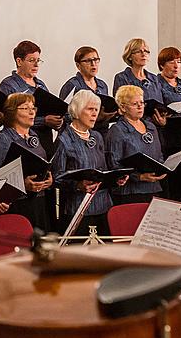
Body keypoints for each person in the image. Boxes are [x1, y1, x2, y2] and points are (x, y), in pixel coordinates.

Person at [52, 90, 127, 236]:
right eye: (90, 109)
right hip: (78, 208)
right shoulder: (64, 140)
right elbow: (56, 177)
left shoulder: (97, 136)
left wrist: (116, 178)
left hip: (103, 205)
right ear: (77, 111)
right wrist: (78, 185)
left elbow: (103, 171)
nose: (95, 114)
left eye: (96, 110)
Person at [0, 93, 54, 230]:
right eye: (25, 108)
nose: (32, 112)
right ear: (12, 112)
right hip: (18, 203)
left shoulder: (34, 136)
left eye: (33, 108)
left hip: (39, 199)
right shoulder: (3, 139)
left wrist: (48, 179)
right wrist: (23, 184)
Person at [0, 40, 63, 156]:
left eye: (38, 61)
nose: (36, 65)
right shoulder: (9, 85)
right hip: (20, 141)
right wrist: (44, 120)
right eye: (31, 60)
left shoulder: (41, 85)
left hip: (44, 140)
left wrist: (57, 119)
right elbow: (7, 117)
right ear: (19, 61)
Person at [106, 85, 167, 205]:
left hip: (154, 188)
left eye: (142, 103)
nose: (140, 106)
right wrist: (139, 177)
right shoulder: (117, 130)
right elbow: (113, 164)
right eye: (135, 104)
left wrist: (163, 168)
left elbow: (159, 155)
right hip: (130, 192)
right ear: (123, 107)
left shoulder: (151, 127)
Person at [157, 47, 181, 201]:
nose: (176, 65)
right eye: (171, 62)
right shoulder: (156, 82)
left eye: (179, 62)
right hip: (167, 135)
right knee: (171, 182)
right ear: (161, 65)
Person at [59, 46, 114, 131]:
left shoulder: (102, 85)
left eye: (96, 60)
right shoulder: (72, 85)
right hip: (78, 134)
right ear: (78, 65)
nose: (93, 64)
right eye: (88, 61)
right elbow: (63, 115)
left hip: (101, 132)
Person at [112, 38, 165, 105]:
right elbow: (121, 104)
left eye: (146, 51)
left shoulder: (154, 78)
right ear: (129, 56)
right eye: (138, 52)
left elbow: (160, 102)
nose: (143, 54)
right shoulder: (122, 77)